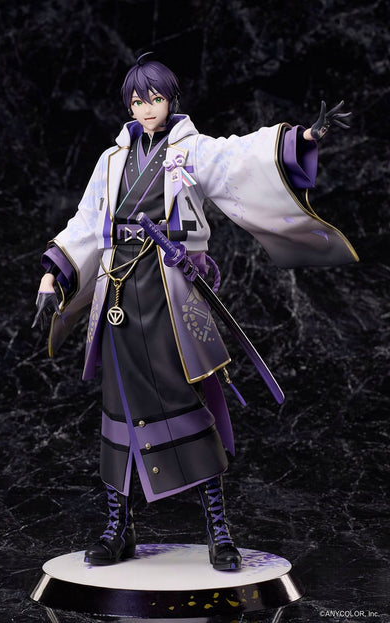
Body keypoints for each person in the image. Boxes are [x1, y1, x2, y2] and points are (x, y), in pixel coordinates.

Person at [32, 53, 357, 571]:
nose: (146, 109)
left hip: (169, 290)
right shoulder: (111, 160)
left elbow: (241, 158)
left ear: (170, 100)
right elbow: (87, 221)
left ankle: (219, 532)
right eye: (137, 100)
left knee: (189, 400)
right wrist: (53, 274)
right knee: (118, 409)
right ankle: (117, 527)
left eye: (155, 98)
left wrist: (304, 138)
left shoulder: (192, 150)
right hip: (118, 293)